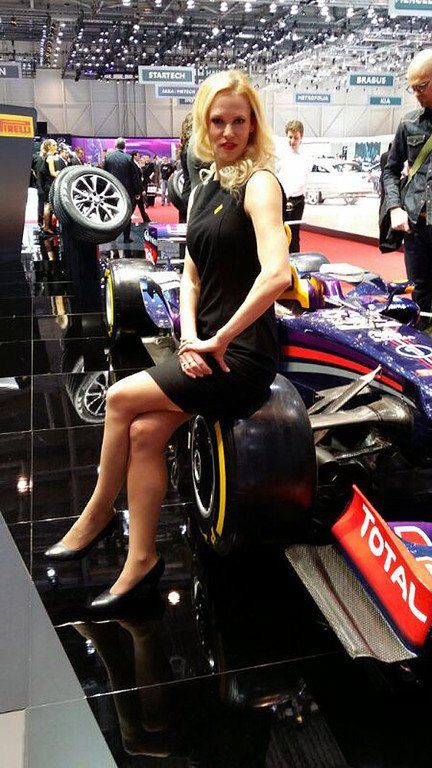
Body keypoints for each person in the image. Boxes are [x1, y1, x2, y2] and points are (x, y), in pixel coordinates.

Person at [44, 69, 292, 613]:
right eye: (218, 121)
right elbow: (193, 274)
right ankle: (141, 562)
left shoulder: (260, 184)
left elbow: (276, 275)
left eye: (239, 121)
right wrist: (190, 337)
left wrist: (219, 340)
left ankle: (97, 514)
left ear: (253, 125)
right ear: (203, 124)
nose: (228, 132)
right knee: (143, 434)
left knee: (118, 399)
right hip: (206, 345)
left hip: (243, 354)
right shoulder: (202, 187)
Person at [383, 49, 432, 328]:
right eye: (412, 88)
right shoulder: (408, 123)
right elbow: (390, 170)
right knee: (419, 296)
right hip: (416, 229)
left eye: (421, 86)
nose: (416, 94)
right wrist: (394, 207)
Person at [276, 119, 309, 254]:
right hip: (281, 200)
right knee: (279, 234)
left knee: (294, 236)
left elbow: (303, 180)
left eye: (296, 138)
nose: (292, 141)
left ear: (301, 137)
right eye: (290, 137)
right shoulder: (280, 155)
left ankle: (295, 263)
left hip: (298, 200)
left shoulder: (306, 157)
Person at [104, 138, 141, 242]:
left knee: (111, 213)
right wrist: (137, 191)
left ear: (115, 146)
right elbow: (134, 176)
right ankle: (126, 238)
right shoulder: (128, 158)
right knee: (127, 214)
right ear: (124, 146)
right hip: (126, 191)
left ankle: (112, 237)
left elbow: (105, 174)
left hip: (111, 190)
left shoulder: (108, 157)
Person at [38, 138, 58, 233]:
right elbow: (53, 173)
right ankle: (46, 227)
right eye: (54, 145)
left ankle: (46, 226)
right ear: (49, 147)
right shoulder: (50, 158)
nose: (56, 147)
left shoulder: (47, 156)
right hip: (49, 185)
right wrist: (61, 173)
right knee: (48, 206)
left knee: (48, 206)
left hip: (48, 184)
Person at [130, 151, 150, 223]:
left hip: (138, 189)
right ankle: (127, 220)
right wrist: (140, 191)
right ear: (134, 156)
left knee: (140, 206)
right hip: (136, 190)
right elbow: (136, 179)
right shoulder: (133, 165)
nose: (139, 157)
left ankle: (146, 220)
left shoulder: (136, 164)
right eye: (138, 155)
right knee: (134, 206)